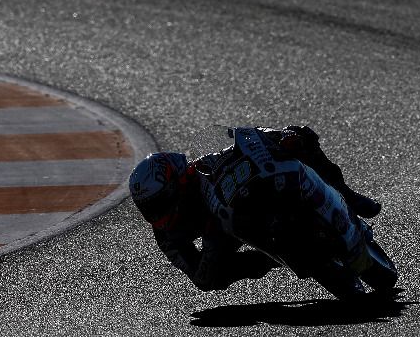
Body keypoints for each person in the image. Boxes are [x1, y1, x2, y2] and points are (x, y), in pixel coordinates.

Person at [126, 124, 381, 291]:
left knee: (299, 136)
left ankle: (347, 195)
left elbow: (249, 141)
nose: (155, 212)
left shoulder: (203, 167)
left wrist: (279, 137)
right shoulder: (166, 235)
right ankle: (271, 259)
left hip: (250, 197)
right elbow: (197, 273)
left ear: (177, 182)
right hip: (223, 232)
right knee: (208, 280)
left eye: (159, 202)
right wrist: (212, 247)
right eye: (148, 207)